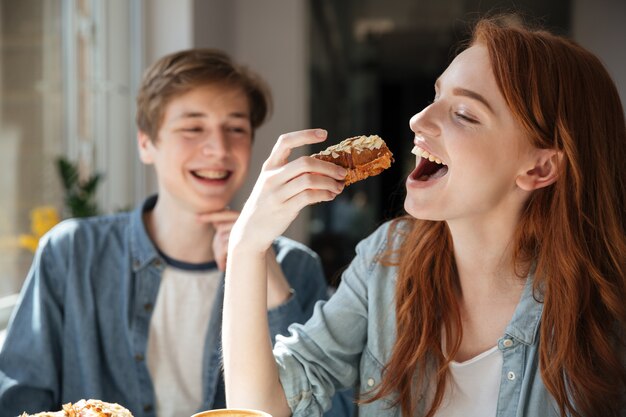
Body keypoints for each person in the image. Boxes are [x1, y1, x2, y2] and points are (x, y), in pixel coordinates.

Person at [221, 15, 626, 417]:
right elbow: (262, 407)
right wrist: (247, 246)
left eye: (464, 114)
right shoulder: (386, 260)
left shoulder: (606, 310)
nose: (418, 120)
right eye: (436, 97)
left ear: (539, 169)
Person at [0, 49, 354, 417]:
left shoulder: (294, 265)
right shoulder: (73, 251)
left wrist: (272, 285)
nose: (218, 149)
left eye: (236, 129)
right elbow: (17, 400)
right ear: (146, 144)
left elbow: (330, 411)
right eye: (192, 128)